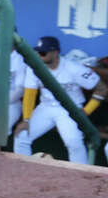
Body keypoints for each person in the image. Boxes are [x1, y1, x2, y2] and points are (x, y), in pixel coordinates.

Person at [13, 36, 107, 164]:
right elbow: (30, 94)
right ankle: (23, 171)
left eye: (43, 52)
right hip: (46, 107)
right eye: (38, 52)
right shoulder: (34, 67)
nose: (39, 55)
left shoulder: (74, 68)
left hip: (70, 109)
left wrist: (85, 112)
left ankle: (81, 175)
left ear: (55, 52)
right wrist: (26, 119)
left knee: (73, 143)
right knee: (21, 136)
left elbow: (102, 88)